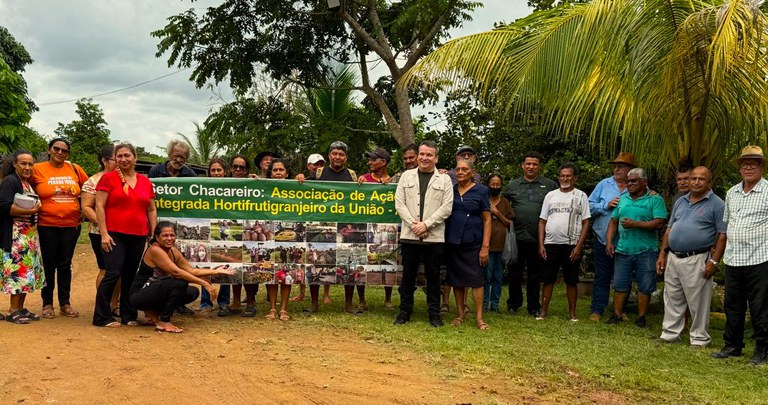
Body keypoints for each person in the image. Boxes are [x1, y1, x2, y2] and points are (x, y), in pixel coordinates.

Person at [711, 146, 768, 365]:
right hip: (734, 258)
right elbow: (727, 226)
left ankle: (762, 349)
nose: (749, 166)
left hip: (760, 258)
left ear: (761, 166)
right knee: (732, 304)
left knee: (760, 306)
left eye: (754, 162)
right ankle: (732, 346)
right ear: (739, 168)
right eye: (745, 163)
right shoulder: (732, 193)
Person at [656, 166, 725, 346]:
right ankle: (670, 334)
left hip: (697, 258)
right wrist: (663, 253)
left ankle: (700, 339)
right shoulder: (680, 201)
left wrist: (714, 261)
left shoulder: (717, 204)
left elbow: (723, 235)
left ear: (710, 182)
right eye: (693, 178)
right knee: (672, 296)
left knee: (698, 302)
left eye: (701, 179)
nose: (695, 182)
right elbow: (669, 228)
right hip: (673, 256)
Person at [93, 143, 158, 327]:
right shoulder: (108, 179)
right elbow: (99, 206)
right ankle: (102, 316)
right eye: (119, 156)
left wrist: (153, 230)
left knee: (131, 275)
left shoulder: (145, 182)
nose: (123, 159)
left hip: (138, 234)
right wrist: (104, 234)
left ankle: (129, 315)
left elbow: (151, 209)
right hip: (114, 234)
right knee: (113, 273)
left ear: (134, 158)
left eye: (127, 155)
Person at [129, 222, 235, 333]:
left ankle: (154, 312)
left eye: (172, 235)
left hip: (155, 289)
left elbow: (191, 271)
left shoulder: (173, 251)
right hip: (139, 295)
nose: (169, 238)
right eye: (165, 236)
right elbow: (177, 272)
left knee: (192, 292)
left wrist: (216, 271)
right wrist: (204, 283)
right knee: (180, 282)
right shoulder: (155, 250)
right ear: (157, 237)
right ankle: (164, 321)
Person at [393, 140, 453, 327]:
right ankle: (404, 311)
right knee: (408, 276)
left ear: (436, 158)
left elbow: (447, 207)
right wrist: (414, 225)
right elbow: (399, 203)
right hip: (410, 236)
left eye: (429, 155)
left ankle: (434, 314)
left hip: (434, 237)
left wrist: (426, 225)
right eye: (422, 154)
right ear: (418, 155)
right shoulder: (406, 176)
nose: (425, 158)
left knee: (434, 277)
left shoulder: (444, 179)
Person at [297, 141, 359, 313]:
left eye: (341, 154)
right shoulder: (319, 172)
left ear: (345, 157)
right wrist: (299, 179)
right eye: (334, 153)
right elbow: (303, 190)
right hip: (321, 223)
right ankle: (314, 304)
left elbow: (359, 195)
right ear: (329, 155)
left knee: (348, 263)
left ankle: (348, 305)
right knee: (316, 262)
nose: (338, 157)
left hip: (344, 224)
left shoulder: (352, 175)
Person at [31, 138, 89, 319]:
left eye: (64, 150)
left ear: (68, 154)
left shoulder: (74, 169)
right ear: (49, 150)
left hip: (71, 225)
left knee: (65, 264)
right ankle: (47, 303)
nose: (60, 152)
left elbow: (89, 189)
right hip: (46, 224)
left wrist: (85, 210)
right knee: (48, 264)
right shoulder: (37, 169)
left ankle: (65, 303)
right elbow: (25, 188)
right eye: (56, 148)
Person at [605, 168, 666, 327]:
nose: (629, 184)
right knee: (619, 284)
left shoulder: (655, 199)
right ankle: (617, 314)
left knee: (645, 286)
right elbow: (613, 222)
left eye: (633, 181)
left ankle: (641, 318)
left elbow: (659, 222)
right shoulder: (623, 199)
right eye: (628, 181)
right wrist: (609, 241)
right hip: (623, 249)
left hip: (646, 250)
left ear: (644, 182)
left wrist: (636, 224)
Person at [502, 152, 557, 317]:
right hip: (516, 236)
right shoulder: (513, 185)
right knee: (514, 272)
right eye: (528, 164)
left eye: (534, 164)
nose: (531, 167)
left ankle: (533, 306)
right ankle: (514, 303)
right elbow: (502, 203)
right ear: (522, 165)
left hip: (538, 237)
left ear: (539, 166)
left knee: (535, 274)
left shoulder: (550, 185)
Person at [147, 139, 197, 315]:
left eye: (183, 157)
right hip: (160, 226)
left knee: (180, 261)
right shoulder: (155, 171)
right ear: (169, 155)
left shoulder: (190, 174)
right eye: (176, 155)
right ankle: (156, 301)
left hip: (181, 225)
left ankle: (178, 301)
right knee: (159, 265)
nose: (179, 159)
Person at [537, 163, 591, 321]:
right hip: (550, 244)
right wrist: (541, 244)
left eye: (568, 176)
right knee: (548, 279)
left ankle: (572, 314)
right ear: (558, 177)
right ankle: (543, 312)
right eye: (562, 175)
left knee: (571, 280)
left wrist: (579, 246)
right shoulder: (550, 195)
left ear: (575, 178)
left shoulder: (581, 196)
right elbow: (542, 221)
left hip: (572, 245)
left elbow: (586, 222)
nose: (565, 178)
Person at [587, 152, 634, 321]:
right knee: (602, 274)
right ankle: (597, 309)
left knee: (625, 276)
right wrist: (605, 205)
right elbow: (589, 206)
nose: (616, 169)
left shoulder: (636, 186)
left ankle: (620, 309)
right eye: (615, 166)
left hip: (626, 239)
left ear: (630, 169)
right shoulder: (604, 184)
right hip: (602, 237)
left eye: (621, 166)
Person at [445, 159, 491, 330]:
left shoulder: (481, 191)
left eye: (465, 169)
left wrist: (485, 247)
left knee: (476, 280)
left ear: (473, 172)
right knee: (457, 279)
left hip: (474, 242)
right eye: (458, 169)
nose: (460, 172)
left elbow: (487, 220)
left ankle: (479, 318)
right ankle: (460, 314)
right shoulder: (451, 190)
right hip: (454, 241)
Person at [0, 149, 45, 324]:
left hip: (28, 236)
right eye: (23, 163)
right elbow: (5, 207)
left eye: (30, 164)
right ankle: (12, 310)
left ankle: (20, 308)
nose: (27, 167)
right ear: (15, 164)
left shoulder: (26, 183)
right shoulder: (10, 181)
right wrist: (33, 210)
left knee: (27, 272)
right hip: (15, 237)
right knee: (18, 273)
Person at [81, 145, 120, 318]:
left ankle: (114, 304)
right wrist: (104, 225)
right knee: (106, 269)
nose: (119, 162)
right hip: (100, 233)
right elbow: (86, 208)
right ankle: (103, 305)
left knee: (120, 270)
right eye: (115, 159)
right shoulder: (93, 182)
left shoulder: (126, 179)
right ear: (104, 161)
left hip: (123, 231)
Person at [357, 146, 395, 309]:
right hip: (365, 226)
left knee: (388, 262)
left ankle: (388, 299)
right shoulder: (363, 179)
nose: (370, 162)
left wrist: (389, 185)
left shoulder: (393, 181)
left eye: (373, 159)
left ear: (383, 162)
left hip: (386, 227)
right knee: (362, 262)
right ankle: (361, 299)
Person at [290, 153, 329, 303]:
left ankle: (326, 294)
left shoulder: (330, 182)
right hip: (306, 222)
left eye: (321, 164)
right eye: (315, 164)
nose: (318, 167)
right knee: (304, 259)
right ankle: (302, 292)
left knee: (322, 260)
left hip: (323, 222)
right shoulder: (303, 182)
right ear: (308, 166)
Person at [224, 153, 258, 317]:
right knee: (234, 266)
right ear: (230, 168)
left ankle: (251, 302)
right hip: (232, 229)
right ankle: (236, 301)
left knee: (249, 268)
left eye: (241, 167)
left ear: (247, 170)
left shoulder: (253, 184)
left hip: (248, 229)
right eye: (235, 166)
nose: (238, 169)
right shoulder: (222, 184)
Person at [199, 158, 231, 314]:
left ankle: (224, 302)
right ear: (209, 172)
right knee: (207, 268)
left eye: (219, 170)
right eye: (213, 170)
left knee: (225, 266)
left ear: (225, 172)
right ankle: (206, 302)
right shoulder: (202, 187)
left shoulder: (232, 187)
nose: (216, 173)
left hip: (222, 235)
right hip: (208, 232)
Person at [264, 158, 294, 321]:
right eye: (274, 170)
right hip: (270, 236)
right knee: (271, 274)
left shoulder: (295, 188)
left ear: (286, 173)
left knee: (286, 274)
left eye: (281, 170)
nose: (277, 173)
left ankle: (284, 309)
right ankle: (272, 308)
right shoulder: (264, 188)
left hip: (286, 239)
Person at [483, 174, 512, 312]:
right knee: (486, 277)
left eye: (497, 184)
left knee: (498, 278)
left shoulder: (505, 203)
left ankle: (494, 305)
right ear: (487, 185)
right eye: (492, 184)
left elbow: (509, 223)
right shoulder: (483, 200)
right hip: (485, 246)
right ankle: (483, 305)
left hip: (501, 246)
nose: (495, 187)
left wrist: (497, 212)